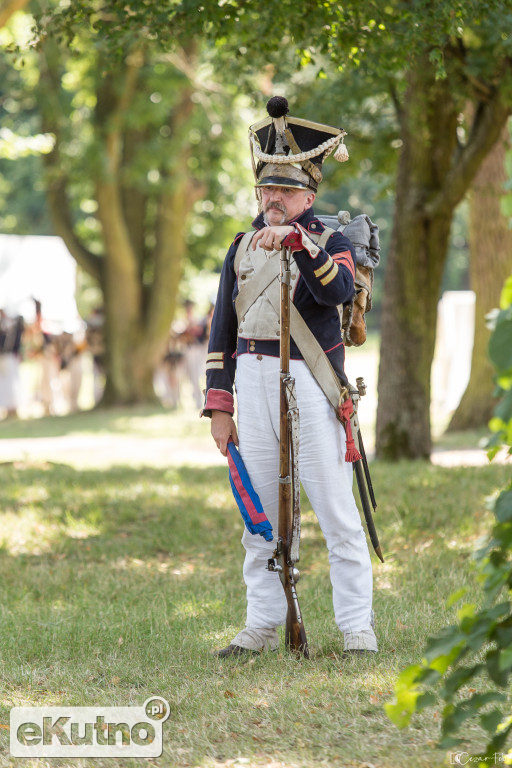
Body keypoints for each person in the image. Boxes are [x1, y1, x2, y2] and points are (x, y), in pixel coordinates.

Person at [202, 96, 377, 658]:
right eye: (266, 190)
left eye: (285, 190)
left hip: (312, 381)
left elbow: (337, 292)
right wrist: (220, 405)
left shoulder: (332, 242)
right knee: (261, 517)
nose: (273, 199)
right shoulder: (239, 248)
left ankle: (356, 629)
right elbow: (222, 332)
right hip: (250, 384)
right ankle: (261, 623)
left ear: (309, 195)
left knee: (335, 513)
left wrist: (301, 246)